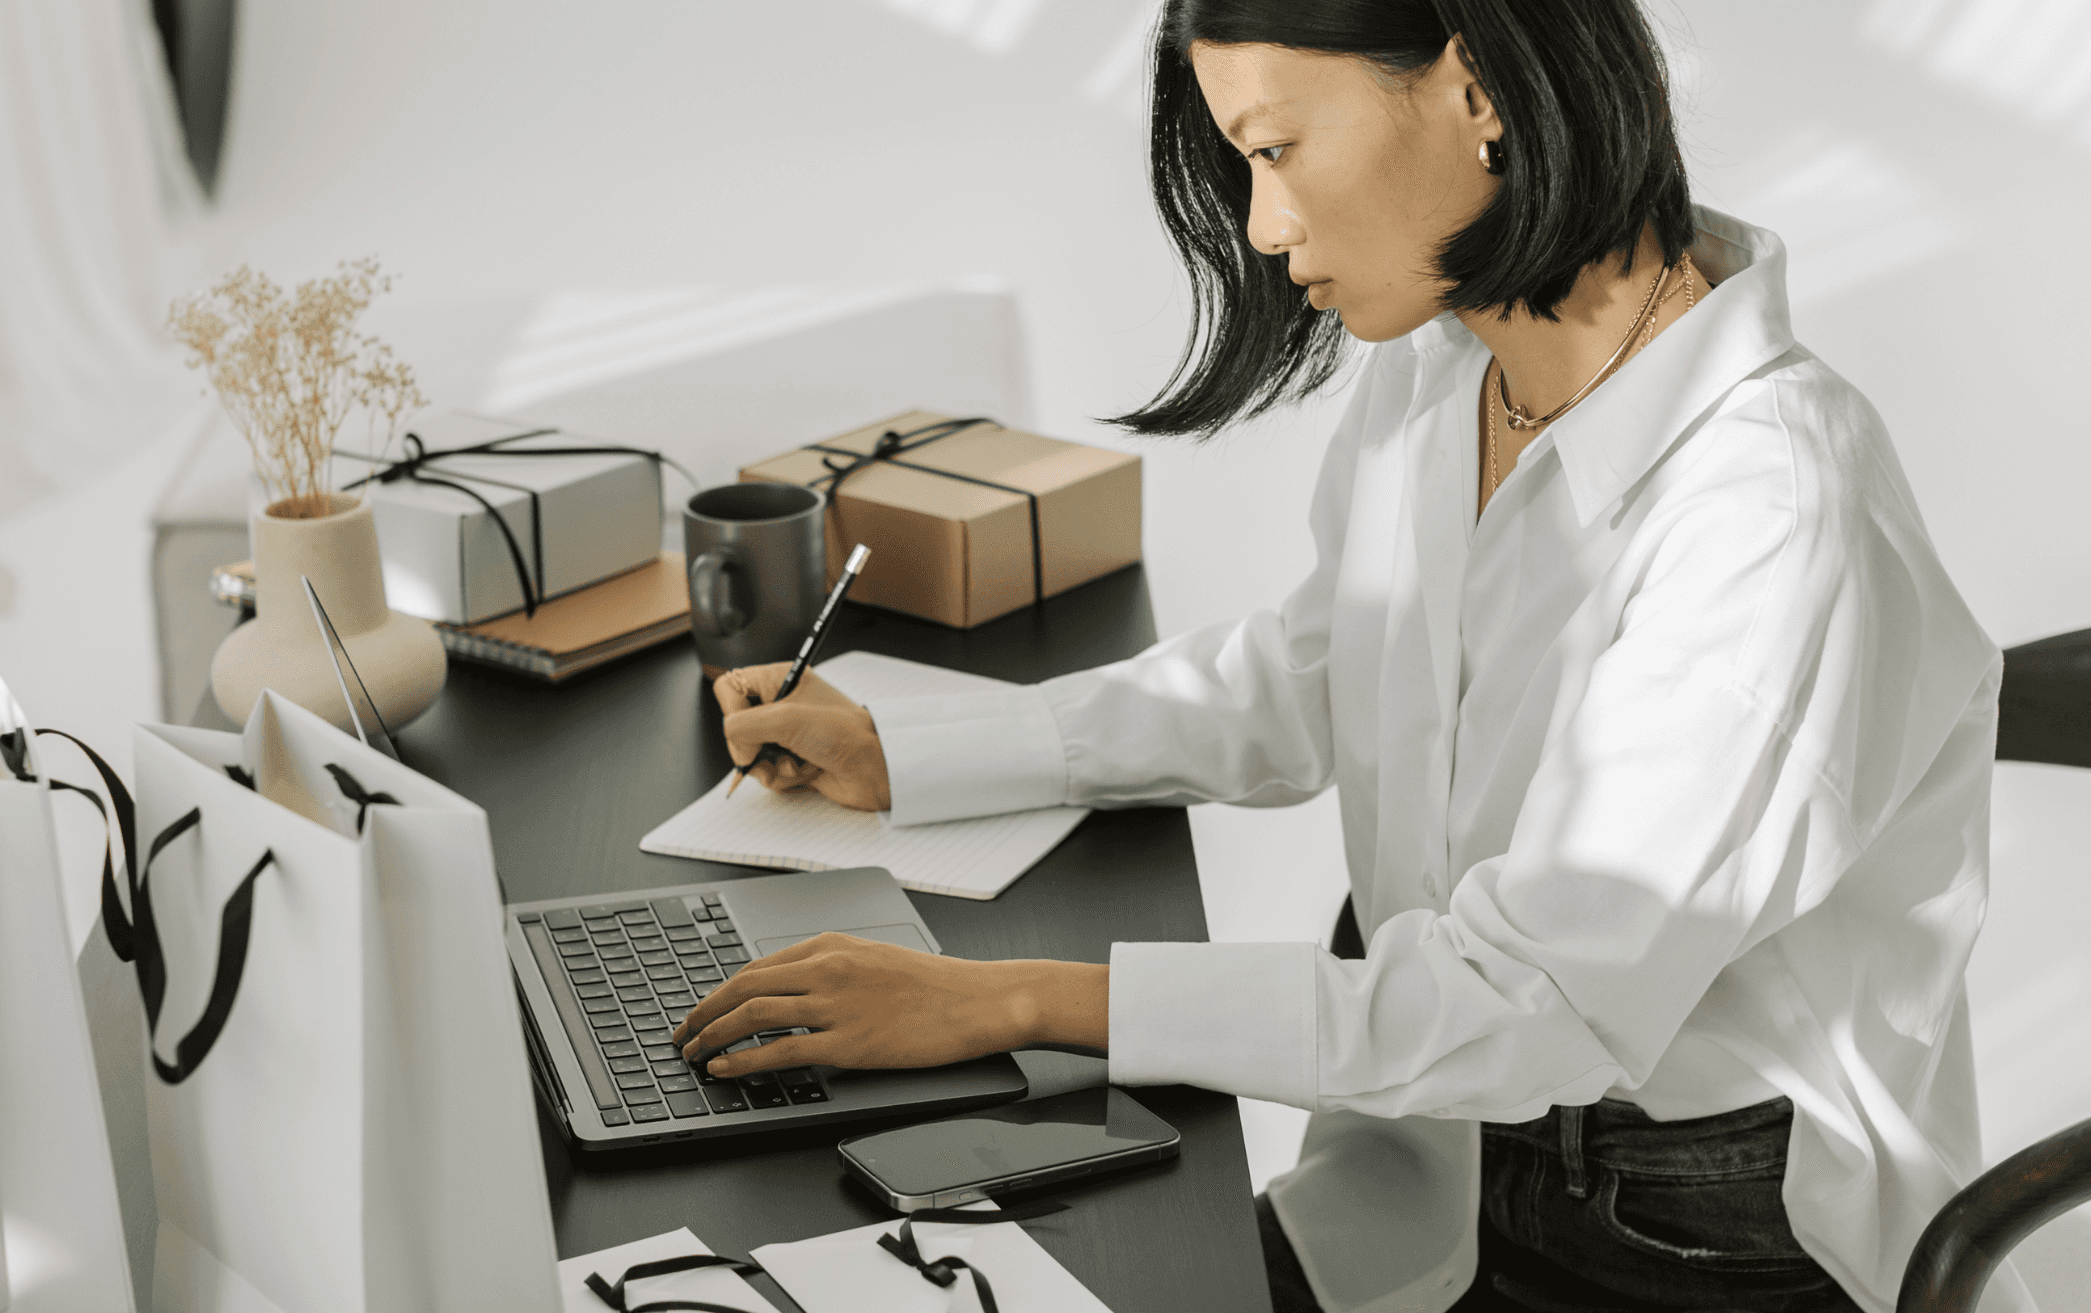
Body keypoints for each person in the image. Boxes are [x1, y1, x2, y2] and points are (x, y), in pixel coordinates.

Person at [671, 2, 2026, 1311]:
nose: (1264, 228)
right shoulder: (1456, 364)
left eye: (1274, 151)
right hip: (1426, 1142)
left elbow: (1530, 1004)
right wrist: (912, 751)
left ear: (1479, 89)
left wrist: (1006, 1000)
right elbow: (1320, 669)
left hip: (1681, 1233)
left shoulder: (1769, 512)